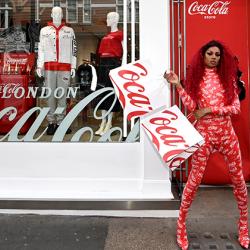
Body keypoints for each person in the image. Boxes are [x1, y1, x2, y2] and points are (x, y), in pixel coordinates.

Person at [164, 40, 249, 250]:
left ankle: (244, 228)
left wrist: (209, 111)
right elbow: (193, 108)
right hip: (204, 136)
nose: (213, 57)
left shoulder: (228, 78)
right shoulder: (197, 79)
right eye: (210, 53)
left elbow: (235, 108)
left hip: (227, 135)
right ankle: (181, 226)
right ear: (202, 56)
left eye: (217, 54)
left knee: (239, 182)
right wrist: (177, 85)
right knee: (193, 182)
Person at [37, 7, 77, 135]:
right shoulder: (44, 31)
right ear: (51, 14)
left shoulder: (69, 31)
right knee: (50, 96)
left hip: (65, 67)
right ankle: (51, 123)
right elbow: (41, 49)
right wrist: (39, 66)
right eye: (55, 13)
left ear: (62, 14)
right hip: (49, 66)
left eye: (59, 13)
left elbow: (74, 49)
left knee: (61, 96)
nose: (57, 15)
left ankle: (61, 123)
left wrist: (73, 66)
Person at [94, 12, 124, 136]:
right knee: (102, 93)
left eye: (109, 18)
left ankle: (109, 122)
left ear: (115, 19)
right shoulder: (107, 36)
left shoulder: (119, 34)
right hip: (103, 65)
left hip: (113, 64)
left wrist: (122, 67)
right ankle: (103, 122)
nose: (107, 20)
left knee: (111, 94)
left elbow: (124, 50)